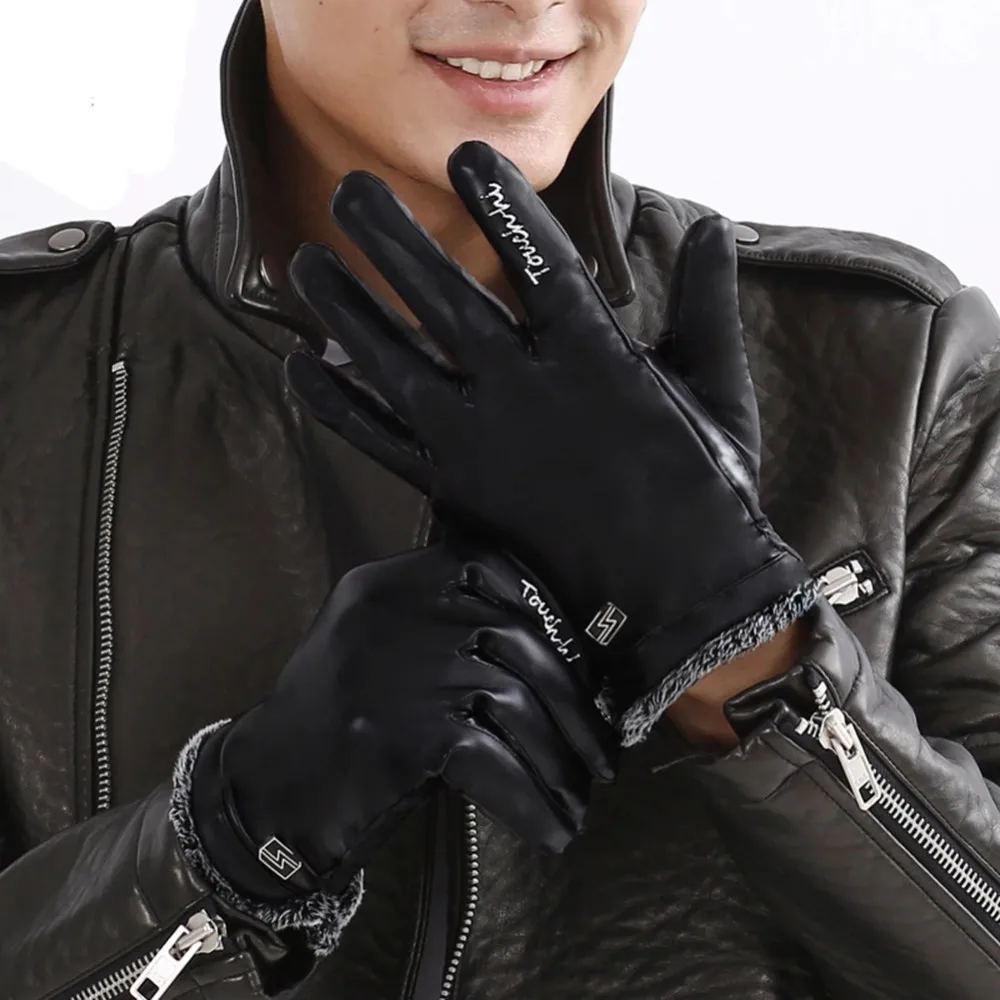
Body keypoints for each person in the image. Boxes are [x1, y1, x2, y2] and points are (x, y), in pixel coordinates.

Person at [1, 0, 999, 997]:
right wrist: (234, 834)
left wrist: (740, 642)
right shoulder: (25, 376)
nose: (528, 3)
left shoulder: (900, 372)